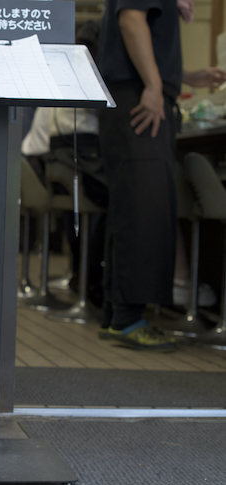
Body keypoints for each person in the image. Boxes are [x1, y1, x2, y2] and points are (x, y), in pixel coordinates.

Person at [97, 0, 226, 350]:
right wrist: (154, 86)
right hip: (138, 98)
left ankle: (117, 315)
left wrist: (183, 76)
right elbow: (132, 20)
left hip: (133, 95)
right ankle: (127, 318)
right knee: (144, 210)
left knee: (132, 207)